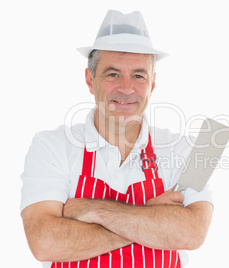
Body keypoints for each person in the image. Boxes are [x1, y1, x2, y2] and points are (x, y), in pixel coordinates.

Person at [20, 10, 213, 268]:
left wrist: (92, 210)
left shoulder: (188, 147)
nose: (126, 88)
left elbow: (192, 233)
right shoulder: (51, 146)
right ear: (90, 80)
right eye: (112, 74)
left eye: (138, 75)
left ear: (153, 84)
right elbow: (44, 242)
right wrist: (151, 219)